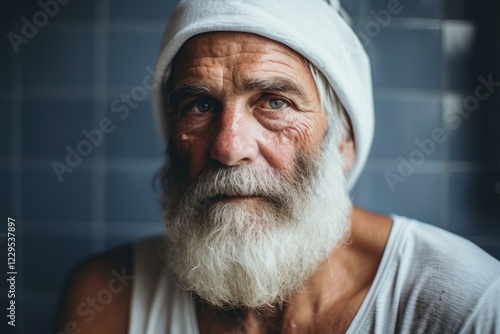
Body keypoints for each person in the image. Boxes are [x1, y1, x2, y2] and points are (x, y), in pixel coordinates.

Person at [54, 0, 500, 333]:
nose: (228, 147)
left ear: (344, 138)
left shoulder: (467, 304)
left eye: (274, 102)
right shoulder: (106, 300)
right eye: (199, 105)